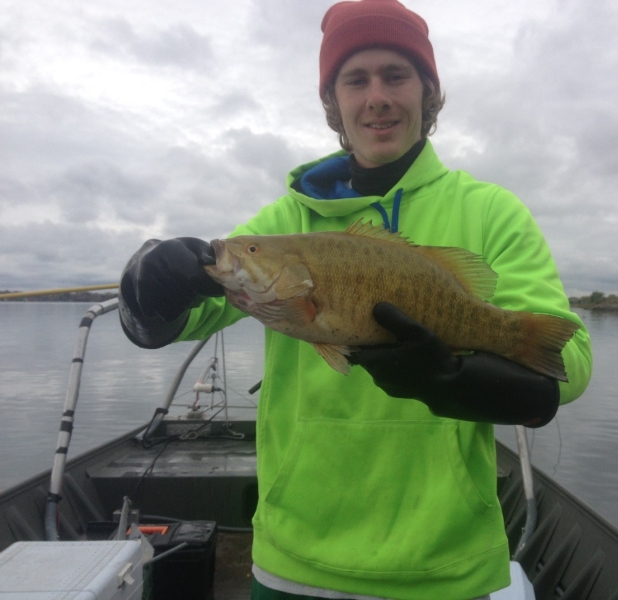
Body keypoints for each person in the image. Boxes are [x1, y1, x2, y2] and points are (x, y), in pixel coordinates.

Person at [118, 1, 593, 598]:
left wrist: (449, 377)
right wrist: (150, 279)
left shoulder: (491, 213)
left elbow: (568, 368)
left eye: (396, 75)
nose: (378, 97)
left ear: (428, 92)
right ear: (332, 101)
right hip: (293, 561)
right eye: (356, 79)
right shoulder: (283, 221)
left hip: (447, 570)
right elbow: (175, 320)